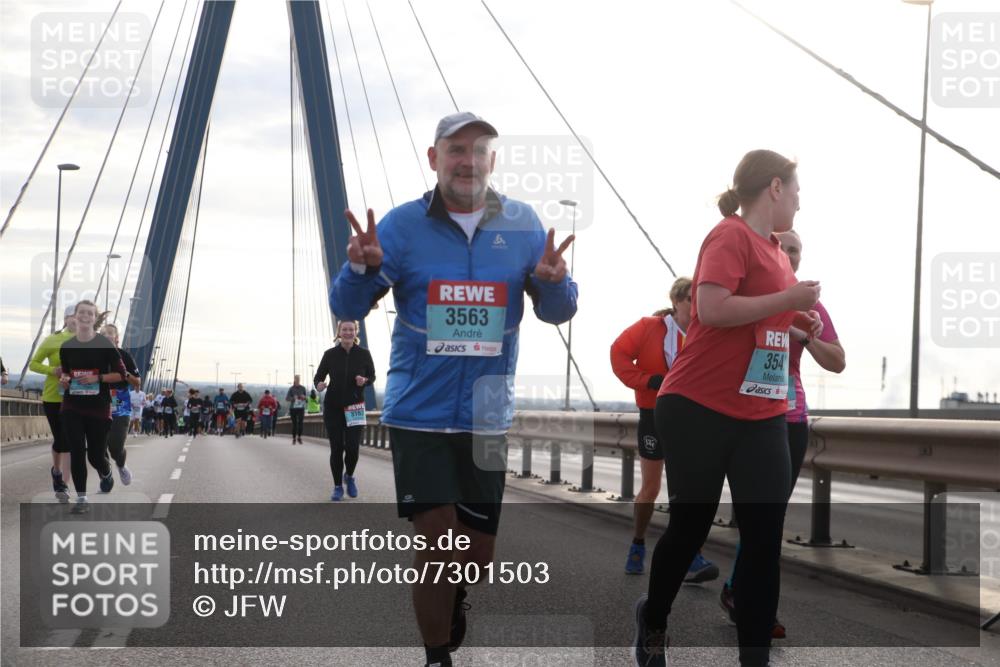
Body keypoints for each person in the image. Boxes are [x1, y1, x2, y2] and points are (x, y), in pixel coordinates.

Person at [329, 111, 577, 667]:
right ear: (434, 158)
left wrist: (555, 284)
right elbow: (346, 308)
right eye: (455, 149)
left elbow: (558, 311)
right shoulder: (399, 226)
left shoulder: (523, 223)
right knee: (437, 546)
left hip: (487, 415)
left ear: (492, 160)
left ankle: (455, 597)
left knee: (476, 559)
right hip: (420, 413)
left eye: (479, 150)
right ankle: (436, 656)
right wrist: (361, 274)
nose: (468, 160)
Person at [633, 150, 823, 667]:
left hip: (762, 415)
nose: (801, 202)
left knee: (763, 541)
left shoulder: (779, 252)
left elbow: (763, 326)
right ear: (776, 187)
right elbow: (713, 309)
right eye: (797, 191)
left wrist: (800, 323)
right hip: (697, 405)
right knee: (691, 526)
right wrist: (785, 300)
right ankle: (654, 619)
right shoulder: (729, 235)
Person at [719, 229, 845, 639]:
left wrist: (804, 335)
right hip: (743, 416)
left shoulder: (810, 305)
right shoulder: (747, 294)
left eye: (796, 250)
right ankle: (746, 598)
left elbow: (838, 361)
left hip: (790, 419)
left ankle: (749, 599)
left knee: (770, 517)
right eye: (783, 247)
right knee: (759, 516)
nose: (789, 254)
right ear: (768, 251)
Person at [610, 277, 719, 582]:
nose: (693, 304)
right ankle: (638, 542)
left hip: (693, 417)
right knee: (652, 488)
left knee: (686, 489)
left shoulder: (706, 331)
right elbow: (618, 354)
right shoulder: (650, 327)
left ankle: (690, 555)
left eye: (697, 299)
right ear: (676, 300)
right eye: (688, 299)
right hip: (654, 414)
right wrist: (646, 379)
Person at [58, 301, 128, 513]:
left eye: (90, 313)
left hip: (98, 408)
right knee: (77, 451)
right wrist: (64, 380)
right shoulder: (66, 346)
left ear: (94, 317)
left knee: (95, 455)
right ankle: (81, 499)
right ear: (76, 316)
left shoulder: (105, 345)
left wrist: (97, 378)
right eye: (82, 312)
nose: (85, 316)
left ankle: (106, 472)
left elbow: (122, 376)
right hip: (72, 406)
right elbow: (66, 374)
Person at [313, 320, 375, 501]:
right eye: (344, 329)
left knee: (353, 448)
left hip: (355, 406)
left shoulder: (364, 354)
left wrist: (365, 381)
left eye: (351, 329)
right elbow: (318, 376)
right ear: (339, 332)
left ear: (356, 332)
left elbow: (372, 376)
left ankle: (349, 476)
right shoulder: (330, 354)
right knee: (337, 447)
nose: (348, 332)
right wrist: (319, 385)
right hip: (333, 407)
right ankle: (338, 486)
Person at [28, 305, 76, 502]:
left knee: (73, 441)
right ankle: (56, 472)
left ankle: (64, 485)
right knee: (61, 439)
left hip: (78, 397)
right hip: (54, 396)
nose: (77, 321)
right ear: (66, 320)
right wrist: (53, 371)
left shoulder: (89, 341)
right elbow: (33, 363)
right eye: (73, 317)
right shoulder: (52, 340)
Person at [99, 323, 141, 485]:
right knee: (98, 449)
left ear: (117, 338)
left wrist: (125, 373)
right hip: (98, 406)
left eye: (109, 333)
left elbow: (137, 382)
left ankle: (121, 465)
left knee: (115, 447)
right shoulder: (94, 356)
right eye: (103, 334)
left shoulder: (125, 356)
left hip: (120, 408)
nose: (106, 336)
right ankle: (106, 475)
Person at [286, 375, 308, 444]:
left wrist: (304, 397)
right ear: (295, 380)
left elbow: (307, 399)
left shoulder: (303, 388)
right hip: (293, 408)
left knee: (300, 423)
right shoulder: (291, 389)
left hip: (301, 408)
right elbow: (287, 398)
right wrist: (293, 398)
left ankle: (299, 437)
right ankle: (294, 438)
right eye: (297, 379)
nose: (298, 380)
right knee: (294, 424)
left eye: (299, 379)